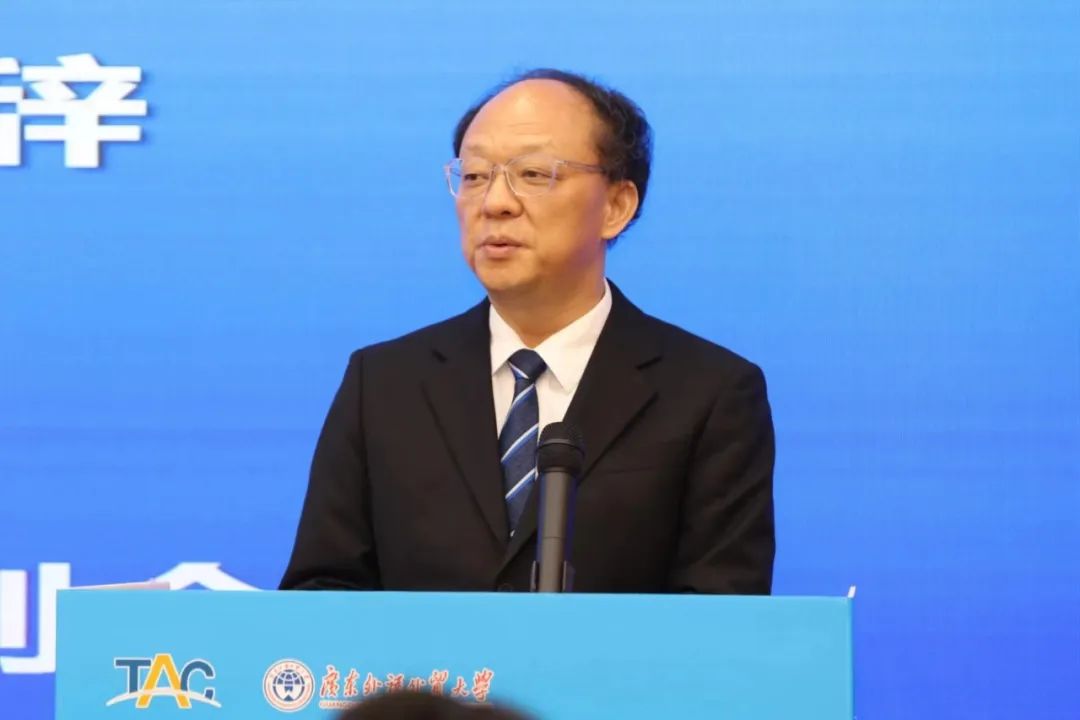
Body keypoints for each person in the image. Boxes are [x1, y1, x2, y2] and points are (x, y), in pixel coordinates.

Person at [280, 69, 775, 594]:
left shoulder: (709, 394)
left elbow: (721, 618)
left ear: (616, 206)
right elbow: (321, 594)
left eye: (533, 174)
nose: (495, 202)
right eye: (475, 176)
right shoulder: (383, 385)